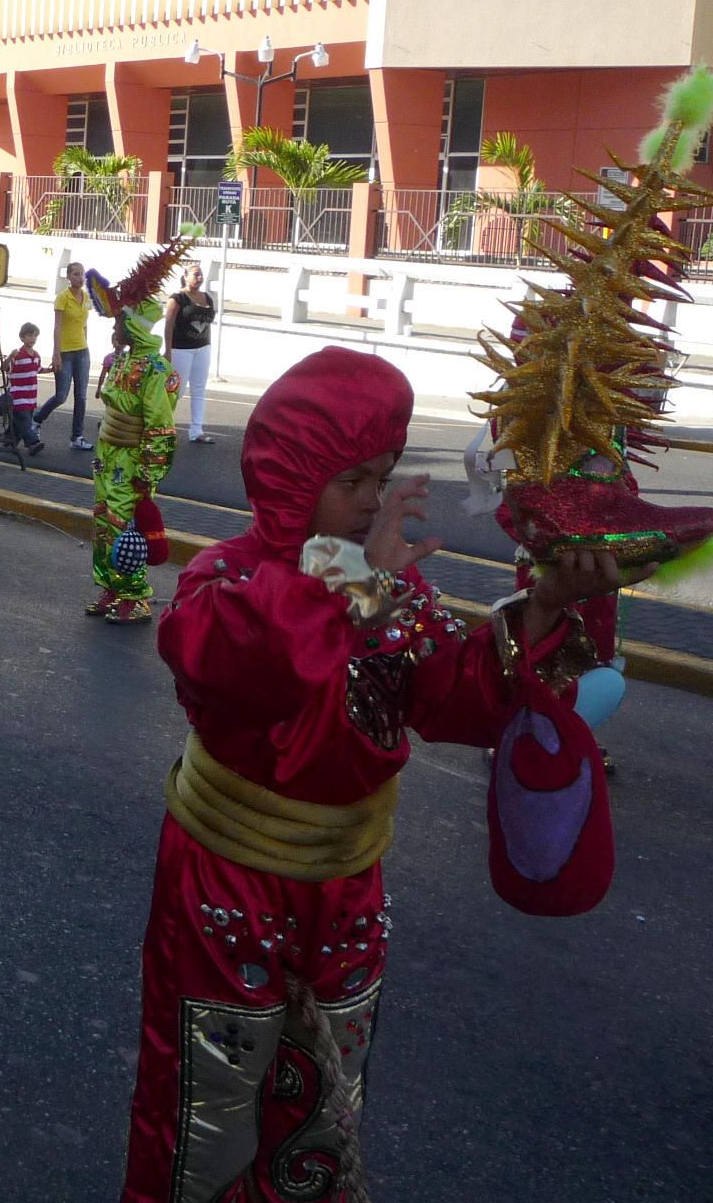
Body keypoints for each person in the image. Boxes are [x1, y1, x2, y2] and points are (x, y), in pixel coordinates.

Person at [119, 345, 646, 1199]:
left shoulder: (389, 590)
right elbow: (240, 660)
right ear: (291, 477)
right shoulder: (230, 577)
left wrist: (547, 603)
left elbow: (449, 696)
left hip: (347, 894)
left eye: (382, 477)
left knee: (323, 1115)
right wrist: (357, 582)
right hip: (228, 890)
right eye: (350, 480)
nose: (371, 501)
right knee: (204, 1118)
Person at [83, 242, 189, 623]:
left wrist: (148, 474)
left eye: (122, 321)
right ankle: (110, 586)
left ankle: (135, 596)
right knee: (102, 524)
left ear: (136, 324)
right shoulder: (122, 360)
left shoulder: (156, 372)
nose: (116, 327)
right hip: (108, 457)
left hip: (132, 464)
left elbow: (160, 428)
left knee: (124, 527)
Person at [35, 259, 93, 450]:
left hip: (82, 351)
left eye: (82, 274)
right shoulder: (63, 298)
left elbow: (84, 325)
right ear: (68, 277)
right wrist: (56, 354)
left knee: (81, 397)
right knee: (61, 396)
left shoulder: (86, 298)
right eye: (76, 274)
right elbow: (57, 327)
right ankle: (37, 420)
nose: (80, 278)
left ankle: (77, 437)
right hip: (65, 352)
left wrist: (86, 344)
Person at [168, 261, 216, 444]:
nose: (199, 277)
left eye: (200, 274)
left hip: (203, 347)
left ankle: (196, 431)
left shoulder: (207, 298)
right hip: (181, 349)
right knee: (176, 390)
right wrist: (168, 350)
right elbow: (169, 324)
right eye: (195, 274)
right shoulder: (177, 298)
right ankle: (164, 425)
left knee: (199, 389)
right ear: (185, 277)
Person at [5, 322, 44, 453]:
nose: (32, 339)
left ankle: (9, 438)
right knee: (24, 421)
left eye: (35, 336)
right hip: (18, 396)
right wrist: (10, 357)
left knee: (19, 422)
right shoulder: (17, 355)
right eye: (29, 335)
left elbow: (38, 369)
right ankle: (32, 443)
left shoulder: (36, 356)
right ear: (22, 337)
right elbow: (5, 368)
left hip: (31, 397)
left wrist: (52, 369)